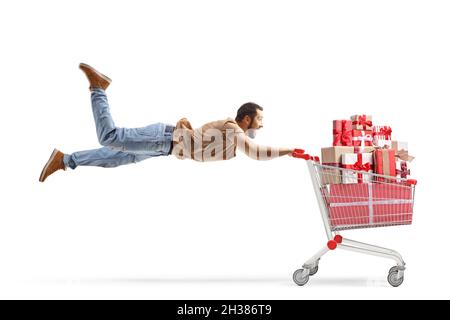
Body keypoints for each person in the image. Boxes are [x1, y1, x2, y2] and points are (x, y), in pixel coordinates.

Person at [39, 63, 296, 182]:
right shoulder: (233, 128)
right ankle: (98, 88)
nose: (261, 126)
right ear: (247, 118)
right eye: (259, 120)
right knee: (110, 138)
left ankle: (64, 160)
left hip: (165, 147)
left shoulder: (233, 138)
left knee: (115, 158)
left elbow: (238, 147)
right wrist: (289, 151)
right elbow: (257, 153)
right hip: (163, 139)